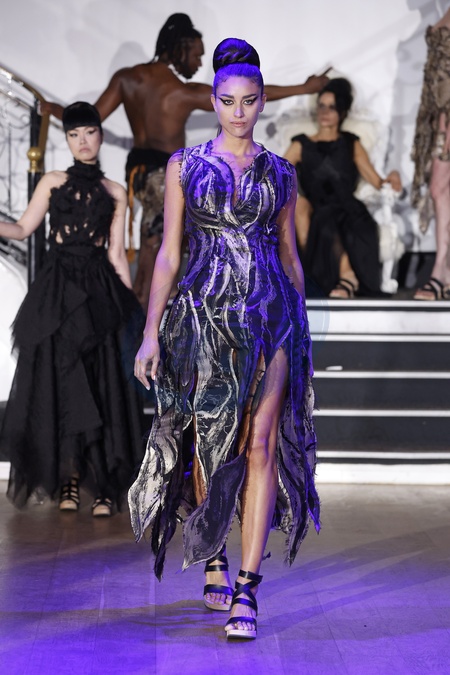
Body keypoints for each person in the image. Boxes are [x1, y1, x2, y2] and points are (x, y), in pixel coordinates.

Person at [129, 38, 320, 641]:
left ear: (262, 102)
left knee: (260, 443)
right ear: (213, 101)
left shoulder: (281, 172)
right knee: (212, 442)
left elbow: (289, 256)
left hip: (271, 318)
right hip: (204, 317)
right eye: (228, 101)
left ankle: (247, 589)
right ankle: (212, 549)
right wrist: (150, 333)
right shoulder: (184, 166)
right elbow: (169, 254)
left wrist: (303, 332)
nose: (239, 111)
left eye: (250, 101)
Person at [43, 13, 329, 309]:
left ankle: (144, 313)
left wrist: (52, 109)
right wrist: (304, 88)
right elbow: (245, 90)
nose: (199, 63)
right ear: (182, 46)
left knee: (156, 244)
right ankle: (144, 318)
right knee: (163, 245)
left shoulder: (126, 78)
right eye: (196, 55)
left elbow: (91, 116)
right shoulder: (180, 91)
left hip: (138, 173)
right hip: (164, 175)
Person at [0, 102, 145, 517]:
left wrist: (133, 314)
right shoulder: (52, 181)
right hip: (58, 291)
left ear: (100, 135)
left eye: (89, 132)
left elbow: (116, 254)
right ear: (66, 139)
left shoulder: (115, 192)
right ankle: (69, 477)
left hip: (99, 291)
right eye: (74, 134)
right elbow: (22, 229)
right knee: (62, 384)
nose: (83, 141)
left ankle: (104, 486)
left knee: (101, 384)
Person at [284, 77, 402, 298]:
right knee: (326, 222)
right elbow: (277, 174)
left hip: (349, 207)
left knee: (353, 226)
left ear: (343, 112)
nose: (325, 112)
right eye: (321, 106)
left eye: (332, 107)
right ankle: (348, 278)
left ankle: (346, 280)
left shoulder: (350, 143)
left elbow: (377, 181)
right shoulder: (301, 144)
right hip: (318, 209)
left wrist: (394, 175)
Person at [411, 9, 450, 300]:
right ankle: (443, 271)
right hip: (440, 117)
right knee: (439, 190)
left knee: (439, 188)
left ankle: (440, 271)